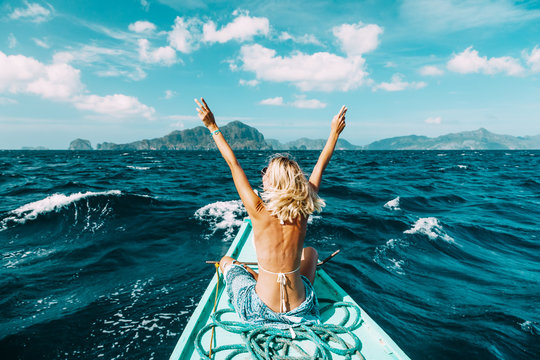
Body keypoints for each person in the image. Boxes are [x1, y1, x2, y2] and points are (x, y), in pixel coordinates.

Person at [195, 98, 347, 327]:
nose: (262, 174)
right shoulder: (305, 206)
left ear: (274, 181)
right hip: (301, 309)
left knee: (227, 261)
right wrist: (334, 132)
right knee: (312, 253)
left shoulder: (257, 210)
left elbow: (233, 164)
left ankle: (255, 278)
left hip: (260, 309)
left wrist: (212, 127)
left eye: (266, 171)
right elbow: (319, 166)